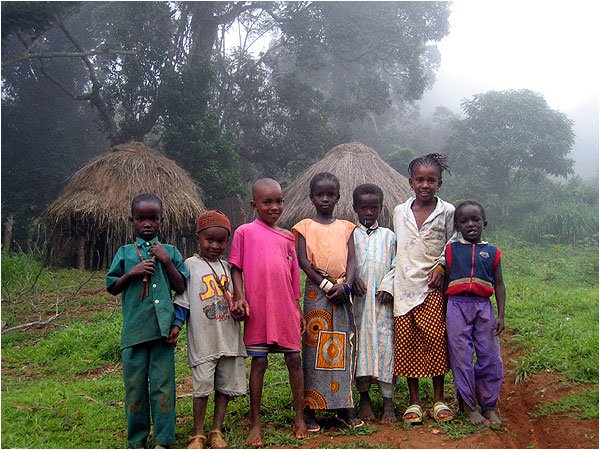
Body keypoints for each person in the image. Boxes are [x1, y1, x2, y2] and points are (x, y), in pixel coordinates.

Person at [228, 178, 308, 446]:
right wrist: (240, 296)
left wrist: (298, 310)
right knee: (259, 363)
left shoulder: (287, 237)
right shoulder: (244, 232)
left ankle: (299, 416)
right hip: (258, 307)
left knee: (294, 360)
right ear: (254, 205)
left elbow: (294, 277)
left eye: (279, 201)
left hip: (285, 307)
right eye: (267, 202)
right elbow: (236, 268)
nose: (275, 207)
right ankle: (255, 423)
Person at [106, 193, 188, 449]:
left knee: (163, 387)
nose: (147, 224)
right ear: (132, 220)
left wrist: (165, 260)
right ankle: (137, 440)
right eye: (141, 219)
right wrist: (132, 273)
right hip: (134, 333)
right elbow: (112, 286)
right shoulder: (124, 253)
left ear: (162, 220)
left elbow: (181, 285)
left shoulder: (171, 252)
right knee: (135, 388)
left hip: (163, 332)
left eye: (153, 218)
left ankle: (163, 439)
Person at [379, 154, 455, 425]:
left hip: (432, 286)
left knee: (435, 340)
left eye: (431, 180)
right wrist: (389, 282)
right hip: (404, 287)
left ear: (440, 183)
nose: (425, 185)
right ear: (410, 182)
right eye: (420, 179)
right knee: (407, 343)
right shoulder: (400, 211)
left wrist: (441, 268)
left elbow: (452, 244)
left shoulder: (447, 211)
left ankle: (438, 398)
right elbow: (398, 250)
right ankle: (414, 402)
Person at [292, 172, 364, 432]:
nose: (325, 198)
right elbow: (302, 261)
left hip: (342, 292)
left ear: (338, 197)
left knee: (342, 347)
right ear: (311, 197)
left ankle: (343, 406)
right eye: (320, 194)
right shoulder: (303, 227)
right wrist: (325, 285)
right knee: (314, 348)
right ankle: (311, 409)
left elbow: (353, 260)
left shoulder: (347, 227)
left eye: (330, 194)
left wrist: (345, 286)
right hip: (316, 291)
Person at [170, 210, 247, 449]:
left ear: (228, 241)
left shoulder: (229, 268)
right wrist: (176, 325)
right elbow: (183, 301)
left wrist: (239, 310)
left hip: (228, 337)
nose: (215, 245)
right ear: (198, 238)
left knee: (224, 386)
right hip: (204, 339)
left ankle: (216, 429)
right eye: (209, 240)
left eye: (221, 241)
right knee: (202, 386)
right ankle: (198, 433)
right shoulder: (190, 266)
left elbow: (240, 300)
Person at [444, 200, 505, 425]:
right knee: (462, 356)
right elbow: (445, 283)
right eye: (464, 221)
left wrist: (501, 315)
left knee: (490, 356)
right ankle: (469, 406)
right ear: (457, 226)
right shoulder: (451, 251)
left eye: (475, 219)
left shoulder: (493, 252)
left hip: (483, 307)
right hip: (456, 306)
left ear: (484, 223)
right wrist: (444, 312)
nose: (470, 224)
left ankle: (489, 404)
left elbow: (499, 284)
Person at [351, 183, 397, 423]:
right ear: (355, 208)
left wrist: (388, 286)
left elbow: (397, 264)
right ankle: (365, 399)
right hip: (357, 304)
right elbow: (344, 263)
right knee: (360, 349)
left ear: (380, 208)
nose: (369, 212)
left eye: (373, 208)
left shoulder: (389, 236)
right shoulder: (350, 235)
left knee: (386, 348)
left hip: (382, 303)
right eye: (364, 208)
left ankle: (388, 402)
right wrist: (353, 279)